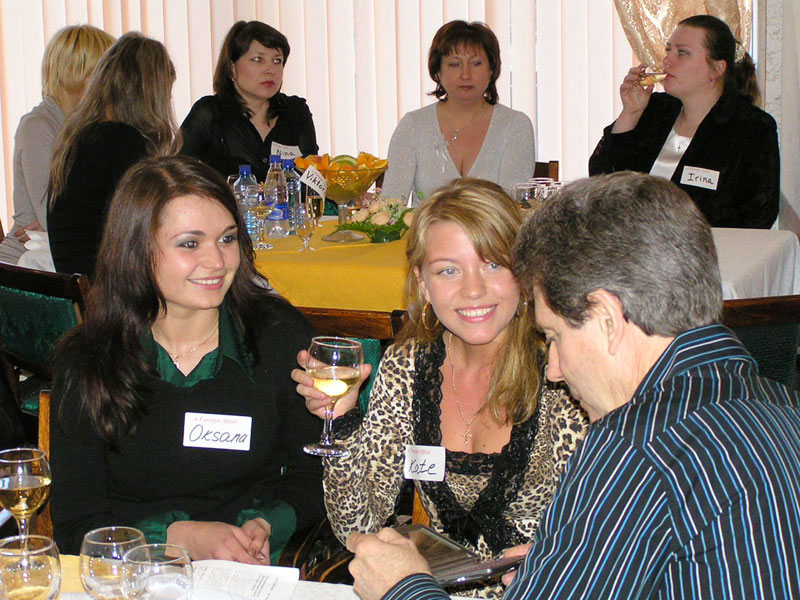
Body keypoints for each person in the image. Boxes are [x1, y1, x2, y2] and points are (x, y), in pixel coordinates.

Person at [346, 171, 800, 600]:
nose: (555, 370)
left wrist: (402, 587)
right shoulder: (779, 404)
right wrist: (566, 563)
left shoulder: (634, 448)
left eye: (555, 336)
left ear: (606, 318)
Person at [294, 178, 587, 597]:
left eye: (493, 264)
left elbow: (604, 538)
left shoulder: (563, 375)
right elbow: (357, 528)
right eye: (449, 270)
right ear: (423, 283)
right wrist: (341, 423)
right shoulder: (408, 366)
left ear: (524, 273)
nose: (473, 289)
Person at [50, 156, 325, 564]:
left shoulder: (278, 337)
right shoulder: (90, 358)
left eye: (227, 239)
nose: (218, 262)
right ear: (137, 251)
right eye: (190, 244)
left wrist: (267, 523)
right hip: (134, 572)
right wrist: (174, 537)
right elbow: (76, 524)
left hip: (253, 570)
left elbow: (317, 472)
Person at [589, 15, 779, 229]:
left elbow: (758, 215)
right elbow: (601, 181)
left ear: (717, 69)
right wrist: (630, 113)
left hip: (704, 247)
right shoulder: (654, 110)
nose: (667, 60)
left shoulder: (751, 127)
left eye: (682, 53)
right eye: (668, 50)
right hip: (629, 242)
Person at [47, 32, 178, 278]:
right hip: (111, 285)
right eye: (166, 94)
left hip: (82, 279)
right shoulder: (122, 142)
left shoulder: (81, 136)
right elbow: (149, 226)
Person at [380, 21, 535, 203]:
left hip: (495, 223)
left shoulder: (515, 125)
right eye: (454, 64)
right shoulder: (413, 125)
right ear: (437, 71)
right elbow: (390, 205)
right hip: (424, 223)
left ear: (491, 69)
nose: (466, 75)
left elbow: (513, 206)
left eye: (476, 63)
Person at [0, 25, 114, 266]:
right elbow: (53, 217)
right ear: (83, 77)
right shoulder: (38, 126)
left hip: (63, 259)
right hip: (23, 267)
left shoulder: (92, 129)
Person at [181, 20, 318, 182]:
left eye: (277, 61)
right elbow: (175, 171)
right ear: (232, 68)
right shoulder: (210, 112)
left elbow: (312, 177)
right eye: (258, 59)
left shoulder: (296, 111)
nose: (270, 70)